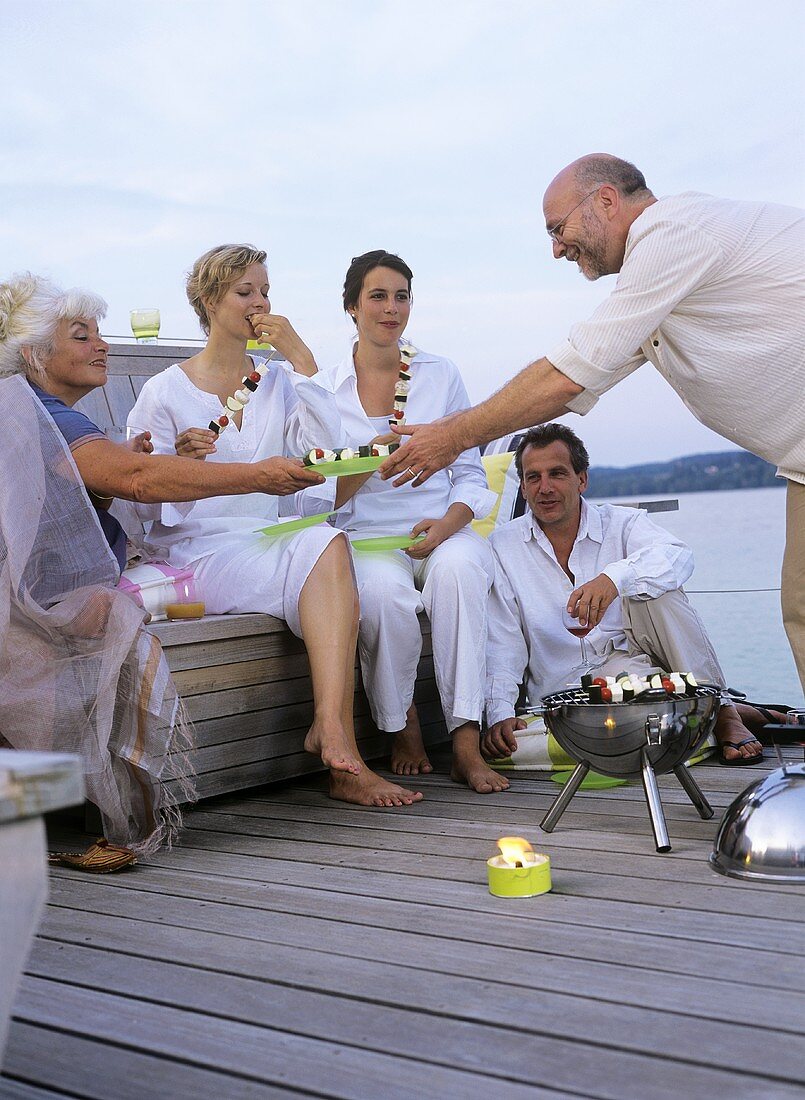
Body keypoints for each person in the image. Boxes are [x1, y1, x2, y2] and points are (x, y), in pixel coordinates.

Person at [380, 155, 805, 695]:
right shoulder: (659, 281)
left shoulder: (673, 233)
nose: (556, 248)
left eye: (558, 229)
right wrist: (453, 440)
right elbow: (578, 382)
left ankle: (721, 710)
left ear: (605, 201)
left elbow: (567, 372)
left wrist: (452, 436)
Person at [129, 244, 422, 807]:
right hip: (197, 551)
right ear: (211, 301)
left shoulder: (277, 380)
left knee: (328, 540)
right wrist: (183, 466)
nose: (260, 303)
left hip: (263, 539)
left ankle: (331, 734)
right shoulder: (164, 391)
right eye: (246, 292)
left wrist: (302, 360)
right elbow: (143, 505)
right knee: (323, 546)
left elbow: (324, 451)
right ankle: (341, 749)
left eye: (265, 292)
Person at [313, 250, 503, 793]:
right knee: (384, 600)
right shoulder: (325, 388)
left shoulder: (439, 374)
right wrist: (368, 456)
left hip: (441, 527)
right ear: (351, 306)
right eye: (378, 295)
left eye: (401, 296)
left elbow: (471, 472)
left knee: (462, 572)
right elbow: (318, 495)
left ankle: (466, 739)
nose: (391, 308)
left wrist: (448, 525)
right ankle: (403, 725)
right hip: (365, 537)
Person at [481, 425, 772, 766]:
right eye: (534, 477)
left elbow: (678, 556)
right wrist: (499, 710)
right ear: (524, 487)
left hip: (630, 664)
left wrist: (614, 579)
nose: (545, 488)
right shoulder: (502, 547)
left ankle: (723, 713)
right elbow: (502, 639)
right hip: (565, 689)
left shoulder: (623, 524)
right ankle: (729, 709)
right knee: (661, 728)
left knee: (659, 590)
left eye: (557, 474)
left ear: (582, 480)